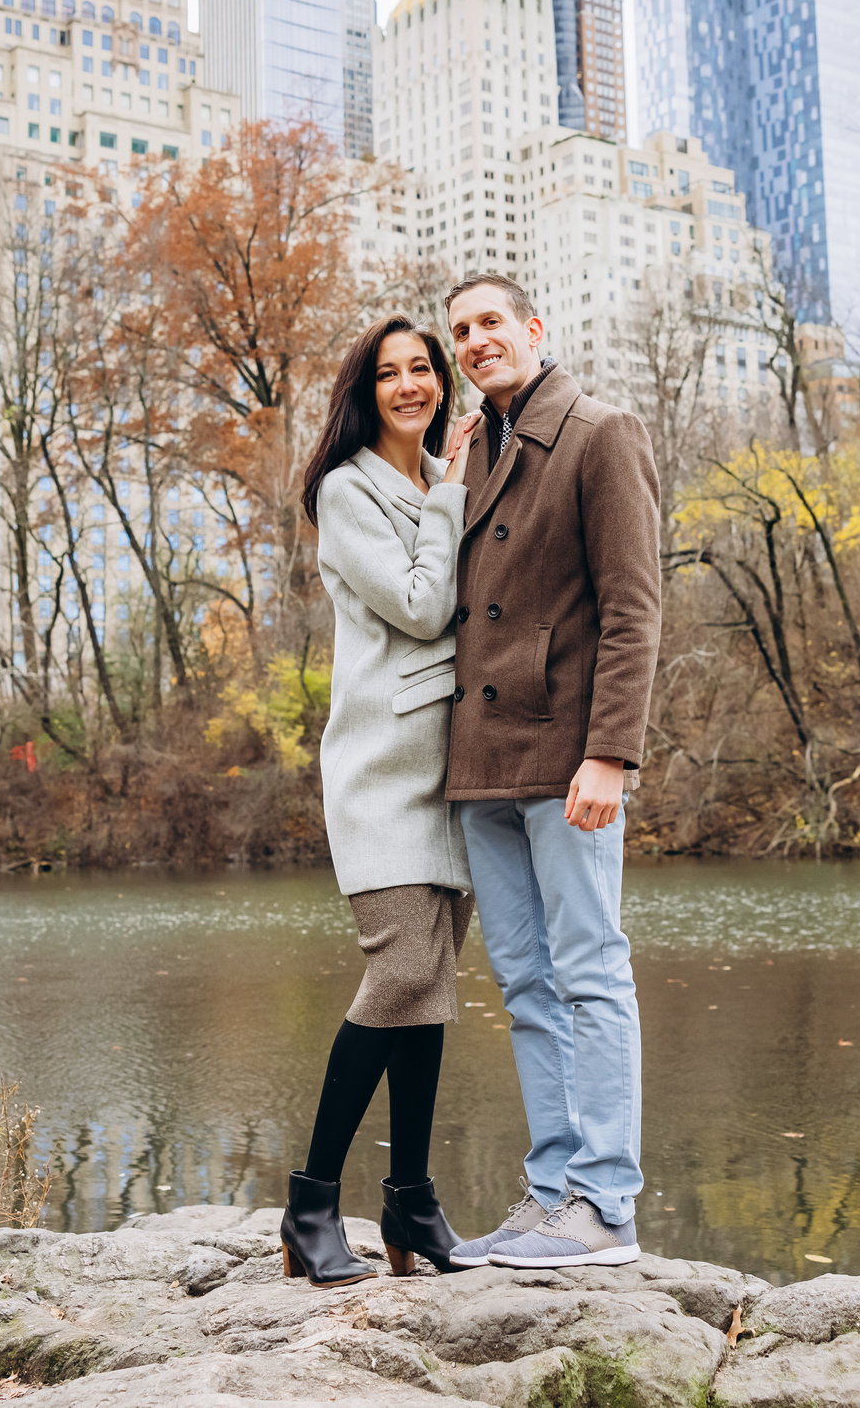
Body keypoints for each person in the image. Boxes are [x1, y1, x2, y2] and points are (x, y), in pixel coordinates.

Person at [438, 273, 660, 1270]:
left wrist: (609, 753)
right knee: (525, 982)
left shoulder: (599, 432)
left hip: (569, 757)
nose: (474, 341)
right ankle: (549, 1192)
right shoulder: (469, 450)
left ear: (535, 326)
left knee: (590, 971)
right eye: (459, 332)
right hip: (482, 765)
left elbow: (633, 610)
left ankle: (605, 1202)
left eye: (489, 323)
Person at [283, 315, 487, 1286]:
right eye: (389, 372)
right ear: (364, 391)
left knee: (431, 993)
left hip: (453, 774)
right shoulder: (347, 488)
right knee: (401, 974)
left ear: (439, 384)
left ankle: (409, 1203)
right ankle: (310, 1201)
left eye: (422, 369)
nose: (409, 384)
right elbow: (416, 604)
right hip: (381, 774)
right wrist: (451, 493)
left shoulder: (429, 481)